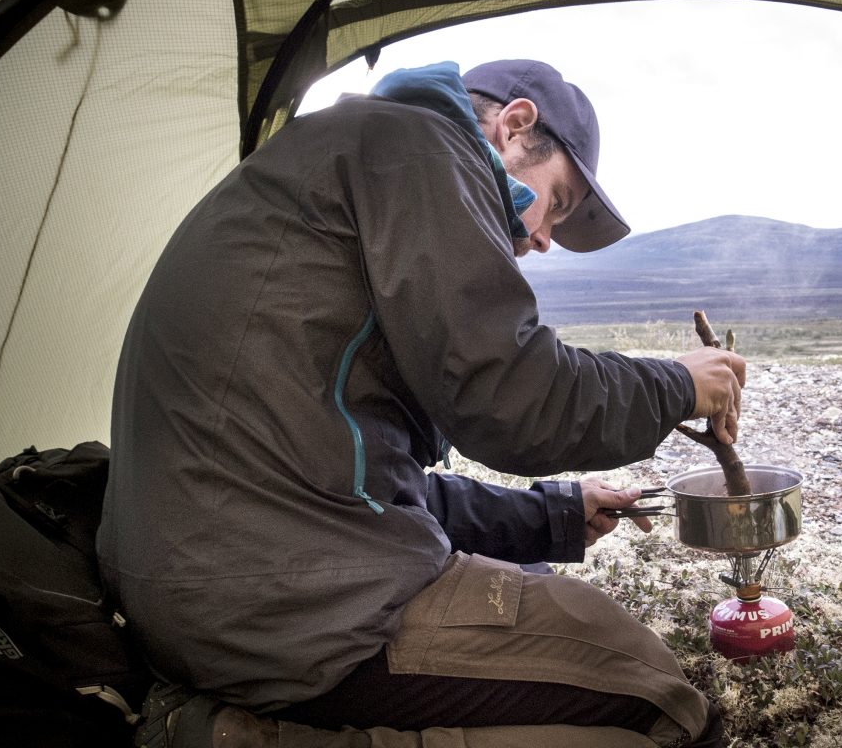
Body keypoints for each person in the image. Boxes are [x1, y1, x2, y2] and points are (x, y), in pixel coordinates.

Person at [96, 59, 746, 747]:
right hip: (274, 608)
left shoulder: (356, 152)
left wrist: (551, 514)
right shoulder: (422, 147)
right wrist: (676, 383)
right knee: (660, 700)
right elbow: (508, 397)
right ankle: (236, 736)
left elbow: (362, 484)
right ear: (515, 127)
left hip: (219, 578)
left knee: (530, 578)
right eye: (555, 203)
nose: (546, 238)